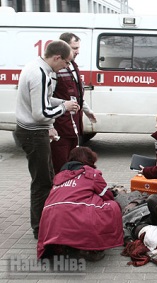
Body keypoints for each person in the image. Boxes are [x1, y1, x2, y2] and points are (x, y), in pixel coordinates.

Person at [15, 40, 80, 240]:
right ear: (56, 57)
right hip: (34, 134)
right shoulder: (40, 74)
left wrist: (62, 102)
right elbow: (40, 113)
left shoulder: (37, 67)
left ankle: (47, 222)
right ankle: (40, 228)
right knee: (42, 183)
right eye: (66, 62)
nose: (67, 67)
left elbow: (43, 101)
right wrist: (64, 108)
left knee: (46, 179)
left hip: (33, 132)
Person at [37, 147, 123, 262]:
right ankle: (90, 248)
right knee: (112, 205)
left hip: (50, 221)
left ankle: (65, 245)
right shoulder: (91, 174)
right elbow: (108, 196)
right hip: (77, 217)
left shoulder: (59, 177)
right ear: (90, 160)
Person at [51, 32, 97, 174]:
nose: (78, 51)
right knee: (60, 165)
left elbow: (77, 95)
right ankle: (59, 192)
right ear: (63, 48)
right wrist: (50, 125)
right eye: (74, 48)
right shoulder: (55, 69)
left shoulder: (72, 66)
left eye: (78, 47)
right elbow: (46, 99)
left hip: (73, 125)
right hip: (60, 126)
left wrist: (87, 111)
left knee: (71, 164)